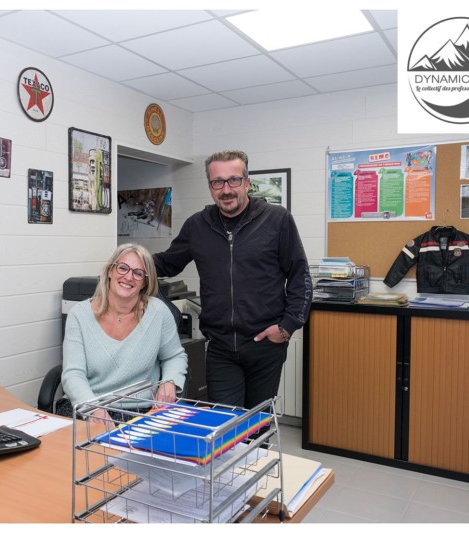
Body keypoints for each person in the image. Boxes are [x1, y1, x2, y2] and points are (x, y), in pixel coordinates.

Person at [153, 149, 312, 409]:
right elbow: (168, 261)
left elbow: (300, 277)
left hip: (266, 346)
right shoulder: (197, 226)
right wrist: (130, 264)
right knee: (225, 426)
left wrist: (287, 327)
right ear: (210, 186)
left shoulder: (277, 220)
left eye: (234, 180)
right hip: (221, 349)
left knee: (257, 427)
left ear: (247, 182)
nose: (226, 189)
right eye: (218, 182)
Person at [60, 243, 188, 425]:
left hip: (142, 411)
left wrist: (169, 381)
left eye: (138, 273)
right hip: (90, 408)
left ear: (145, 282)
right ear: (110, 271)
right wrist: (93, 408)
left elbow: (174, 356)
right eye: (123, 268)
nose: (129, 277)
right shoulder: (79, 315)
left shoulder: (158, 312)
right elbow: (73, 374)